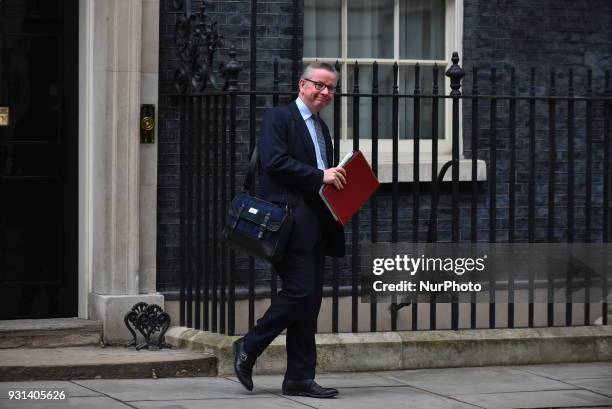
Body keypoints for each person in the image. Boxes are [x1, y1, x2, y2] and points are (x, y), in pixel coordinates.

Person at [233, 62, 346, 398]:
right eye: (319, 85)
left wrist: (340, 180)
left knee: (309, 302)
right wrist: (320, 176)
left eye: (331, 88)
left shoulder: (322, 129)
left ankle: (299, 377)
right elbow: (274, 162)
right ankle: (249, 345)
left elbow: (322, 173)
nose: (325, 93)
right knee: (299, 292)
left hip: (317, 224)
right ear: (302, 84)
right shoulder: (278, 118)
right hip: (288, 224)